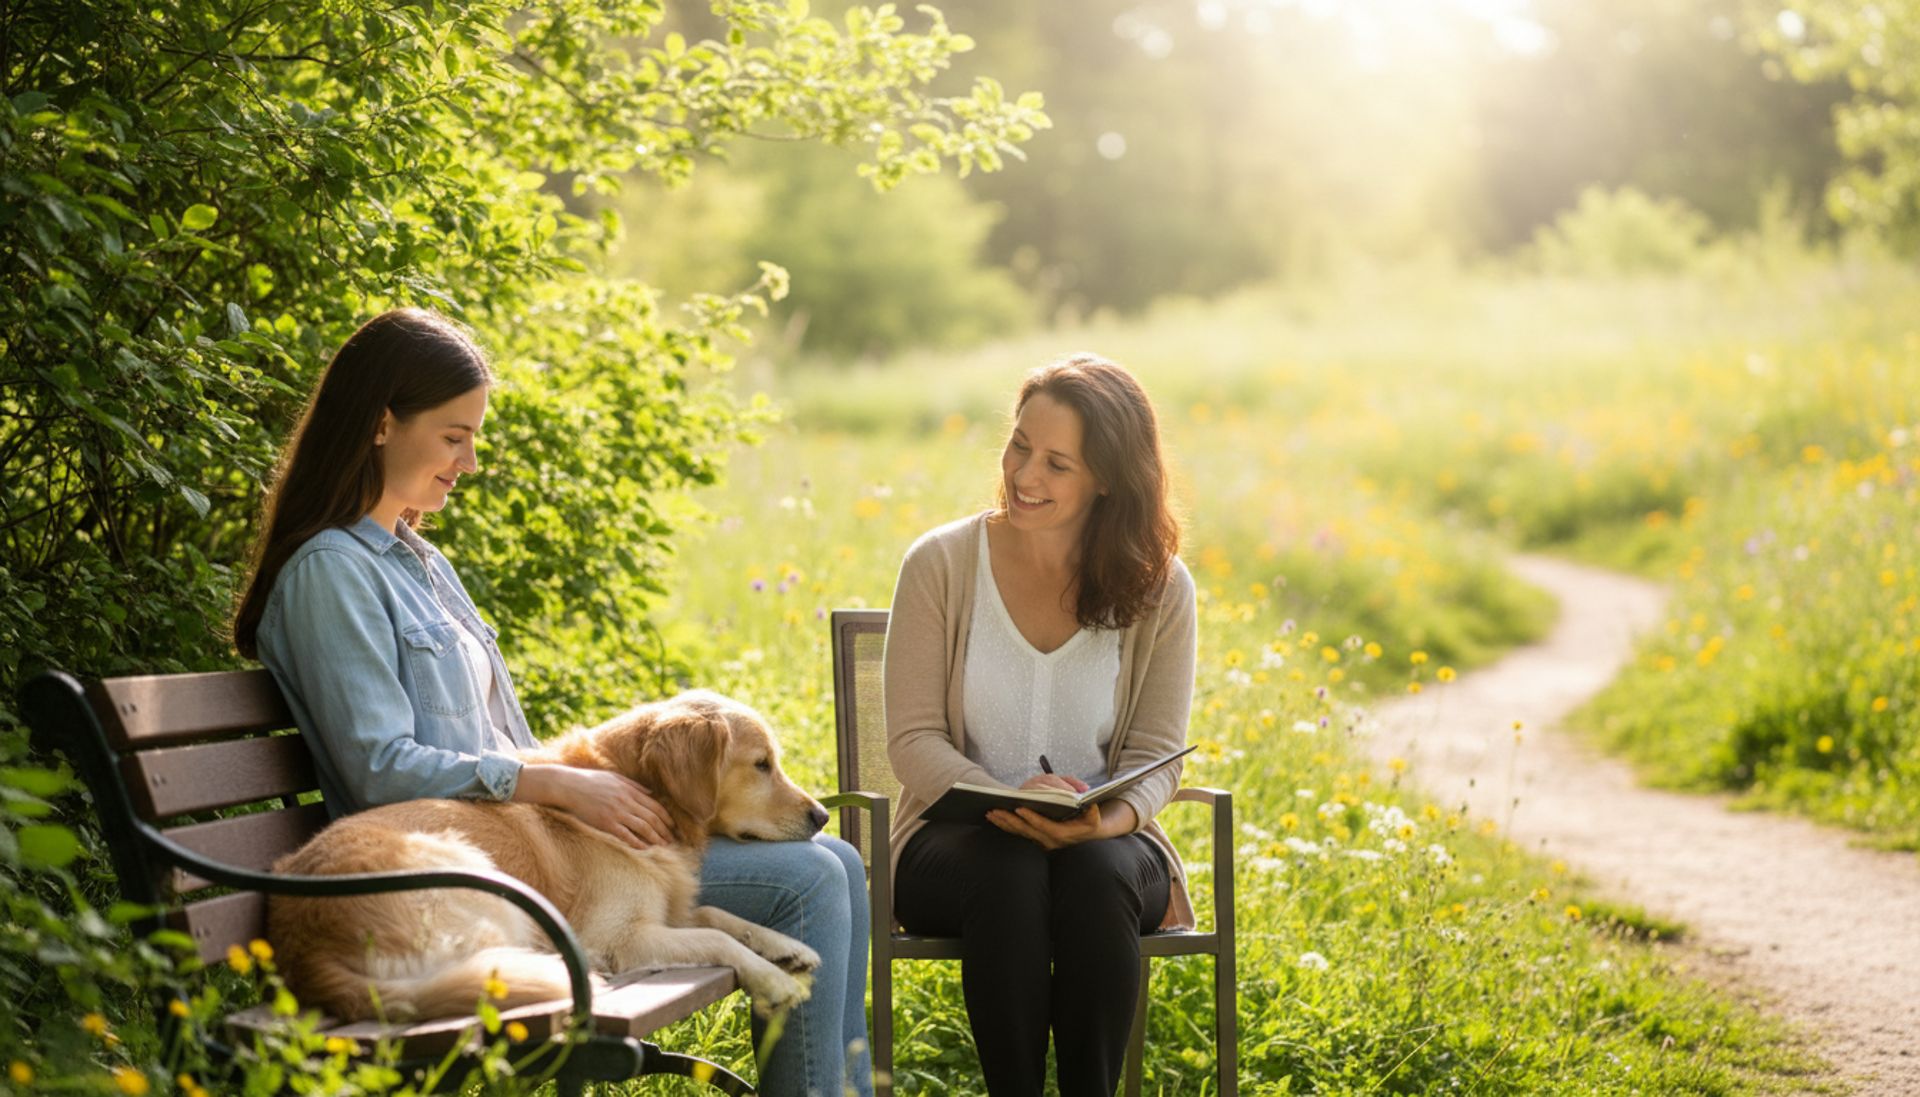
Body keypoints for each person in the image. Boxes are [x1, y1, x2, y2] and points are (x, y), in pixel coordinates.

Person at [229, 308, 871, 1097]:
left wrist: (596, 784)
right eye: (454, 435)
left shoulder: (419, 560)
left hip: (521, 849)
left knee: (835, 859)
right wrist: (558, 784)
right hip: (444, 866)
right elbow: (377, 768)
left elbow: (501, 740)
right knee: (809, 879)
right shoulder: (333, 572)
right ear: (381, 425)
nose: (471, 460)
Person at [881, 354, 1197, 1097]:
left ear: (1108, 478)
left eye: (1058, 463)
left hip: (1109, 847)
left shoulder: (1161, 587)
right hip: (956, 844)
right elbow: (913, 740)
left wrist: (1104, 819)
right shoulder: (940, 564)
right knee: (1009, 865)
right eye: (1020, 444)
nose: (1025, 474)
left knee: (1091, 872)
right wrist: (1003, 795)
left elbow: (1157, 756)